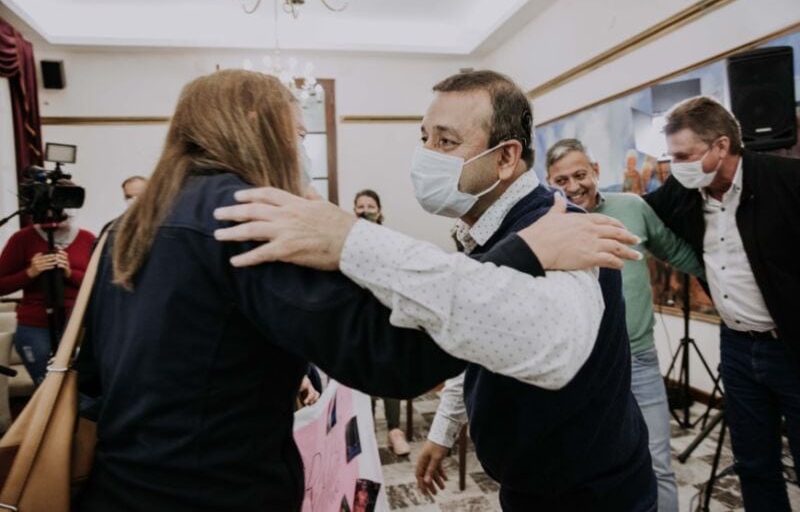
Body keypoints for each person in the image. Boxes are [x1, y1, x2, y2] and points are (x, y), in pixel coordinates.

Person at [75, 69, 639, 512]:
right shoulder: (251, 216)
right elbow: (395, 356)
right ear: (255, 127)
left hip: (122, 486)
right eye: (297, 135)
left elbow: (110, 375)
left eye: (445, 141)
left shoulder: (127, 227)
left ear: (507, 155)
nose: (301, 151)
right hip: (215, 493)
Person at [644, 96, 800, 512]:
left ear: (722, 146)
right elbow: (637, 212)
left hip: (792, 348)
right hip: (737, 349)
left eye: (684, 155)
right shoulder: (685, 190)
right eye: (671, 156)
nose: (675, 166)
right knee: (753, 463)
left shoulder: (787, 179)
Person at [546, 138, 705, 512]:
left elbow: (676, 250)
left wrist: (726, 281)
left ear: (596, 172)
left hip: (639, 361)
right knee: (587, 471)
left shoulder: (632, 207)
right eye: (561, 180)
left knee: (657, 464)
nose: (573, 186)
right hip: (579, 370)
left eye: (580, 174)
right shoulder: (546, 226)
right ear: (549, 184)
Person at [0, 214, 95, 384]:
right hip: (36, 326)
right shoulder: (22, 239)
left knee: (79, 387)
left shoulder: (87, 238)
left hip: (77, 323)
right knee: (45, 387)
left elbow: (99, 283)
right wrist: (30, 273)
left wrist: (69, 273)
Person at [352, 188, 409, 455]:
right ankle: (365, 434)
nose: (365, 210)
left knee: (390, 371)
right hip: (358, 321)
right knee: (362, 377)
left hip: (388, 318)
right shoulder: (347, 243)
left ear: (380, 211)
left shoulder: (392, 242)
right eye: (360, 206)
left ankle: (394, 430)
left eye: (370, 205)